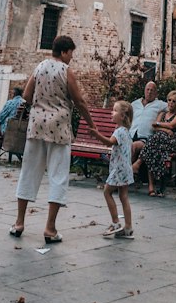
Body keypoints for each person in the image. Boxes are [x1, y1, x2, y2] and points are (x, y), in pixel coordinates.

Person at [11, 35, 108, 245]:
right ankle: (50, 228)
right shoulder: (66, 71)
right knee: (58, 175)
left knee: (28, 172)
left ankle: (19, 223)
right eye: (71, 53)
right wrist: (91, 123)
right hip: (59, 129)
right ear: (64, 52)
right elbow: (79, 100)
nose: (72, 57)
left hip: (36, 127)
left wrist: (41, 103)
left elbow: (26, 96)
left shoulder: (39, 67)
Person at [143, 88, 176, 197]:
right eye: (169, 100)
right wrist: (166, 130)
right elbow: (154, 127)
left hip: (171, 143)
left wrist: (159, 124)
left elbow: (172, 125)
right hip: (159, 143)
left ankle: (139, 162)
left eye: (174, 101)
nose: (171, 103)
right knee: (153, 149)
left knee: (154, 143)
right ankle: (152, 186)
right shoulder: (162, 113)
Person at [101, 99, 135, 239]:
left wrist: (96, 134)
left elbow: (109, 142)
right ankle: (128, 227)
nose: (112, 113)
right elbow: (130, 150)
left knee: (107, 192)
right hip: (126, 168)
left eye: (115, 110)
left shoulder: (119, 131)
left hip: (119, 169)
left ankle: (115, 223)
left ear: (122, 116)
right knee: (123, 196)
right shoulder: (127, 131)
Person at [130, 80, 167, 166]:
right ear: (144, 90)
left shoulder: (160, 104)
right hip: (130, 135)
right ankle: (127, 174)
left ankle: (125, 174)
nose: (149, 92)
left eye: (152, 90)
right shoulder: (134, 104)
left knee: (133, 147)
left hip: (146, 139)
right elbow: (124, 116)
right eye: (148, 89)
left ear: (156, 93)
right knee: (122, 145)